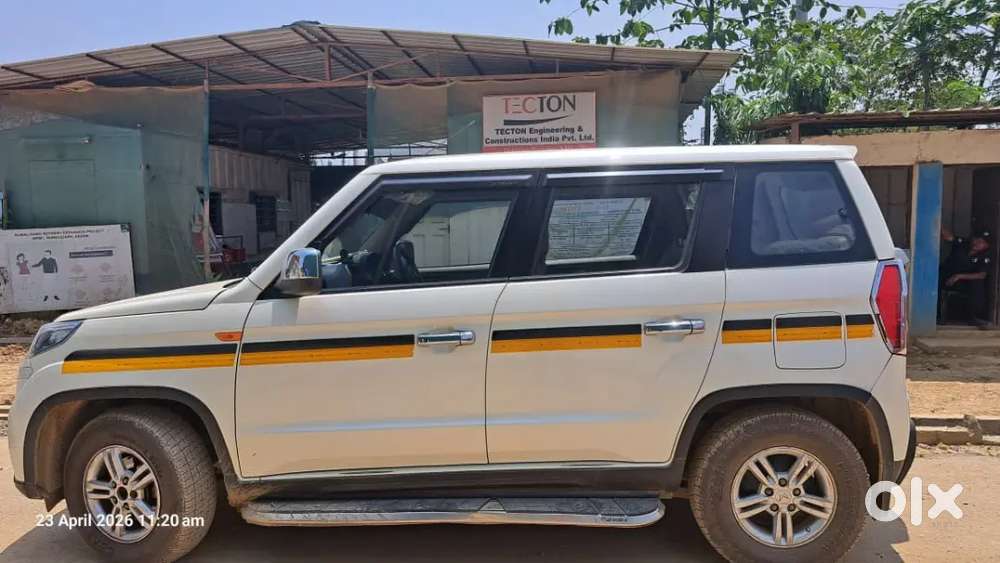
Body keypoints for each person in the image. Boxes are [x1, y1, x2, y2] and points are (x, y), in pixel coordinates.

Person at [939, 228, 991, 326]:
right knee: (935, 276)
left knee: (977, 284)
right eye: (977, 239)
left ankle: (975, 317)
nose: (978, 243)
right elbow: (948, 236)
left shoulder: (985, 256)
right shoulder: (963, 243)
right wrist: (937, 223)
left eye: (982, 242)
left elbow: (982, 275)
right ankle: (936, 316)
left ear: (986, 245)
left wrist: (959, 276)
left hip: (960, 282)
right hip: (945, 275)